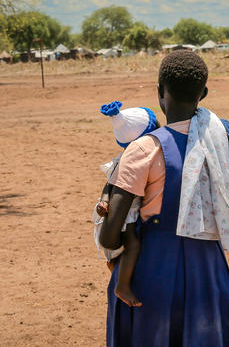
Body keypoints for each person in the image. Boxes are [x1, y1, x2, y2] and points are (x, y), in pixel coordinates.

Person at [100, 50, 229, 346]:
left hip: (151, 270)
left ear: (160, 92)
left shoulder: (143, 149)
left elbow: (109, 237)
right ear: (203, 93)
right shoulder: (220, 141)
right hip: (209, 269)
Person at [94, 101, 159, 307]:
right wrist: (105, 202)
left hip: (119, 208)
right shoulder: (136, 157)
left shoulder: (123, 157)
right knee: (133, 244)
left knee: (124, 246)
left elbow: (108, 185)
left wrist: (104, 200)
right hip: (126, 211)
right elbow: (110, 186)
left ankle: (116, 268)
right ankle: (122, 284)